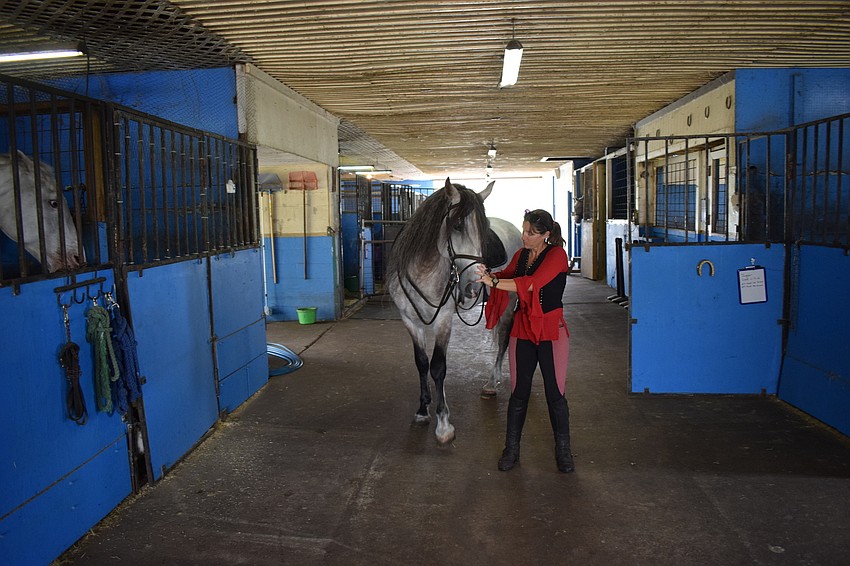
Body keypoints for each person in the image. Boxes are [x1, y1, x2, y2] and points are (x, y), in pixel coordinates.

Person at [475, 209, 573, 473]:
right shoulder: (520, 256)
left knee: (555, 395)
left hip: (551, 331)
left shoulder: (557, 255)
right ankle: (512, 450)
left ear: (546, 235)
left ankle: (563, 451)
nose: (524, 236)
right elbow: (507, 275)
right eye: (524, 230)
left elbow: (531, 285)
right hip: (523, 330)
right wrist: (490, 274)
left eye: (531, 232)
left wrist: (493, 283)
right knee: (519, 394)